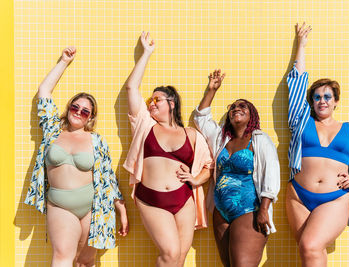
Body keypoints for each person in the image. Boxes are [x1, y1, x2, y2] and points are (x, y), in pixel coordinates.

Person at [24, 47, 129, 267]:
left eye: (85, 111)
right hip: (61, 205)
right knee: (62, 256)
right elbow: (43, 91)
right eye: (75, 107)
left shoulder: (96, 141)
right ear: (69, 108)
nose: (78, 113)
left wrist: (122, 210)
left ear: (91, 117)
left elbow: (108, 177)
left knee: (86, 262)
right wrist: (63, 61)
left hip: (93, 206)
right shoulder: (52, 130)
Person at [285, 23, 349, 266]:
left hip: (335, 197)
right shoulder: (301, 121)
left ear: (336, 101)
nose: (322, 101)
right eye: (317, 97)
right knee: (312, 252)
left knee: (310, 245)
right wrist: (301, 46)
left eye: (327, 97)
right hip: (298, 196)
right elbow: (295, 86)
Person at [122, 32, 213, 267]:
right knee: (170, 253)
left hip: (183, 199)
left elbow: (209, 165)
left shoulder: (191, 134)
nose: (151, 103)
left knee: (179, 258)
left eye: (157, 99)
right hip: (151, 197)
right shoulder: (144, 124)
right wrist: (146, 53)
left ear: (171, 103)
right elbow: (132, 88)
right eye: (150, 101)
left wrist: (195, 179)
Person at [193, 69, 280, 267]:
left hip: (250, 209)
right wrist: (211, 90)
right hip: (220, 212)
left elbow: (271, 174)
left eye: (242, 107)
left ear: (252, 115)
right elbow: (201, 119)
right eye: (232, 107)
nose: (236, 109)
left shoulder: (259, 139)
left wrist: (264, 209)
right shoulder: (221, 139)